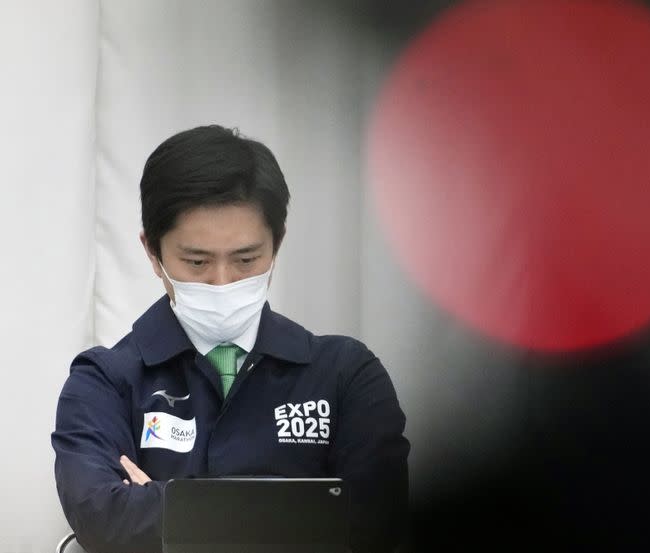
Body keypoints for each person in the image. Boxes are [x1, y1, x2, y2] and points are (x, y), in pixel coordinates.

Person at [51, 125, 410, 553]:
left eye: (245, 259)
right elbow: (103, 521)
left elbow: (377, 521)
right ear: (153, 253)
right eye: (196, 261)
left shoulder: (346, 374)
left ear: (277, 245)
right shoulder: (103, 382)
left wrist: (165, 503)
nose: (222, 282)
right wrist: (309, 509)